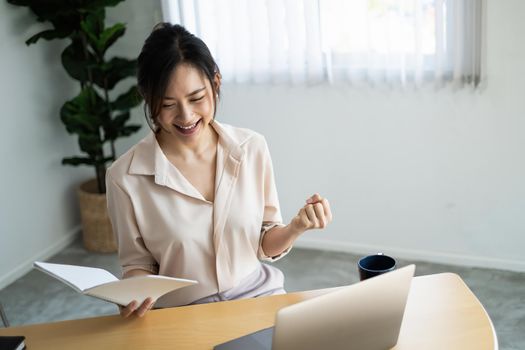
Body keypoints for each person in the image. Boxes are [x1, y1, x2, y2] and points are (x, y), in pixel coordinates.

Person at [106, 23, 333, 318]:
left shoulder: (251, 148)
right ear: (148, 99)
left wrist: (296, 227)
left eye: (197, 98)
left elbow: (264, 243)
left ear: (216, 82)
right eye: (168, 105)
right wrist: (134, 294)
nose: (186, 116)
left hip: (258, 297)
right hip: (182, 313)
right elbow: (137, 266)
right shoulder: (124, 177)